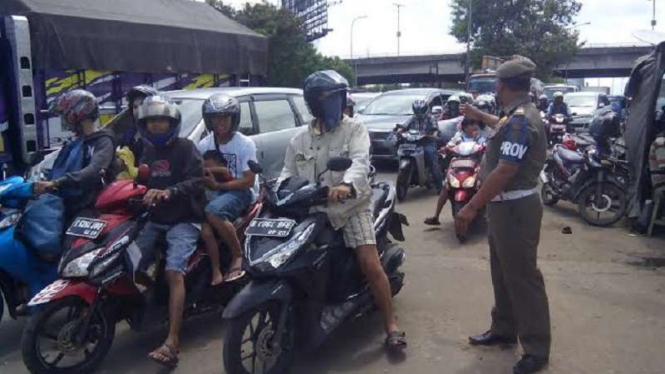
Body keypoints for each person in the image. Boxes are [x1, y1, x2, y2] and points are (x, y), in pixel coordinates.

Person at [279, 70, 406, 350]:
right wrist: (279, 191)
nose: (337, 103)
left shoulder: (354, 129)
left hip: (351, 208)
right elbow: (286, 174)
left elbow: (360, 161)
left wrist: (347, 185)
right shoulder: (299, 139)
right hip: (312, 211)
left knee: (369, 262)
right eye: (330, 98)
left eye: (339, 97)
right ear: (315, 102)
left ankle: (391, 325)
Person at [456, 57, 551, 374]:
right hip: (504, 208)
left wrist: (471, 207)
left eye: (496, 83)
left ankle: (536, 349)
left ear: (505, 86)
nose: (494, 88)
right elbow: (500, 127)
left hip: (514, 209)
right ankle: (504, 329)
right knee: (502, 271)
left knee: (523, 278)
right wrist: (477, 114)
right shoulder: (514, 116)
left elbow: (506, 169)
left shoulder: (521, 121)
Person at [133, 95, 206, 367]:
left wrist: (170, 191)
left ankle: (173, 340)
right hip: (156, 218)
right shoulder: (148, 151)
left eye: (161, 120)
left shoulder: (186, 148)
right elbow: (143, 180)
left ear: (172, 122)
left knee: (174, 272)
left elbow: (198, 181)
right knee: (128, 260)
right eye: (151, 121)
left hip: (183, 219)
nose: (156, 126)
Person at [197, 93, 257, 284]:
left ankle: (237, 254)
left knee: (213, 212)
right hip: (214, 191)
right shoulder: (204, 145)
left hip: (240, 192)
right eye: (215, 117)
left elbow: (248, 181)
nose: (220, 122)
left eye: (224, 116)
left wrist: (219, 185)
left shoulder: (244, 143)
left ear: (234, 118)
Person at [34, 89, 115, 217]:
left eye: (64, 114)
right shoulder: (75, 142)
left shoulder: (103, 141)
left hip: (90, 206)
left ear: (78, 113)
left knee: (69, 237)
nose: (63, 120)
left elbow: (94, 170)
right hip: (65, 201)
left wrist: (58, 182)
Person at [423, 118, 485, 225]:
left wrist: (485, 147)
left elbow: (485, 146)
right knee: (446, 188)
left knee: (485, 186)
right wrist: (446, 148)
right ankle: (436, 216)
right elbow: (450, 145)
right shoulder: (458, 136)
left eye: (475, 125)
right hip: (458, 166)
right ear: (465, 127)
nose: (474, 128)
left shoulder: (479, 138)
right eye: (471, 125)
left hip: (474, 167)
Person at [200, 150, 235, 285]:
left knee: (207, 233)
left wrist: (207, 170)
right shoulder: (203, 182)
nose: (208, 172)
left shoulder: (224, 179)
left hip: (217, 214)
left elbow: (225, 171)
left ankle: (216, 270)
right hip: (202, 213)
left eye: (210, 167)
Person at [403, 99, 443, 192]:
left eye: (421, 111)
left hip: (427, 142)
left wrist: (434, 134)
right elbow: (404, 126)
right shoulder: (413, 118)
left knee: (431, 158)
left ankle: (439, 187)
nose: (419, 113)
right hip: (413, 143)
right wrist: (399, 131)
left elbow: (435, 129)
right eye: (417, 111)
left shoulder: (431, 118)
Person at [121, 85, 160, 165]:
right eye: (135, 107)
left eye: (142, 106)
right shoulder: (130, 133)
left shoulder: (160, 135)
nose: (138, 111)